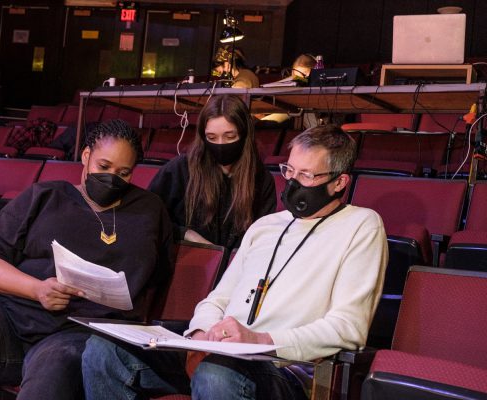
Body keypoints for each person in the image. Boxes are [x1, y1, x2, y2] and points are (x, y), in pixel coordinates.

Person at [82, 124, 388, 399]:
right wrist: (201, 335)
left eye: (306, 175)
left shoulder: (361, 225)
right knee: (104, 351)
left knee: (216, 373)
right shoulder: (265, 225)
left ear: (339, 182)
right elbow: (217, 300)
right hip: (220, 354)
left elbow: (348, 327)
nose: (292, 183)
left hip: (285, 367)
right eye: (289, 171)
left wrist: (260, 340)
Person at [0, 119, 174, 400]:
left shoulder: (149, 211)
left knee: (50, 382)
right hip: (7, 316)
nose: (112, 178)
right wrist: (37, 289)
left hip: (77, 334)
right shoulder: (45, 195)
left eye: (123, 173)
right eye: (104, 166)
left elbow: (157, 278)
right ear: (86, 156)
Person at [148, 94, 276, 250]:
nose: (220, 144)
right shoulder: (179, 170)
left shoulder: (261, 179)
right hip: (185, 261)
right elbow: (150, 217)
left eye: (230, 136)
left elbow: (263, 235)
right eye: (212, 137)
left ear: (244, 134)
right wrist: (186, 234)